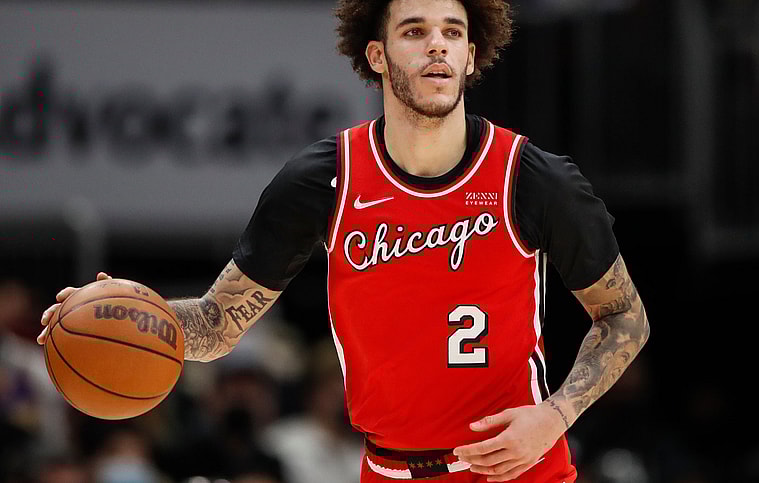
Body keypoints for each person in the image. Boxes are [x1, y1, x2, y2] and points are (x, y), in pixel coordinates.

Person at [37, 0, 651, 481]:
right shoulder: (322, 180)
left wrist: (556, 415)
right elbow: (218, 323)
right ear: (377, 55)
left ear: (471, 55)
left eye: (452, 32)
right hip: (386, 469)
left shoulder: (533, 178)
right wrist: (124, 314)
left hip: (517, 469)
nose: (437, 44)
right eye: (414, 31)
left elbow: (625, 316)